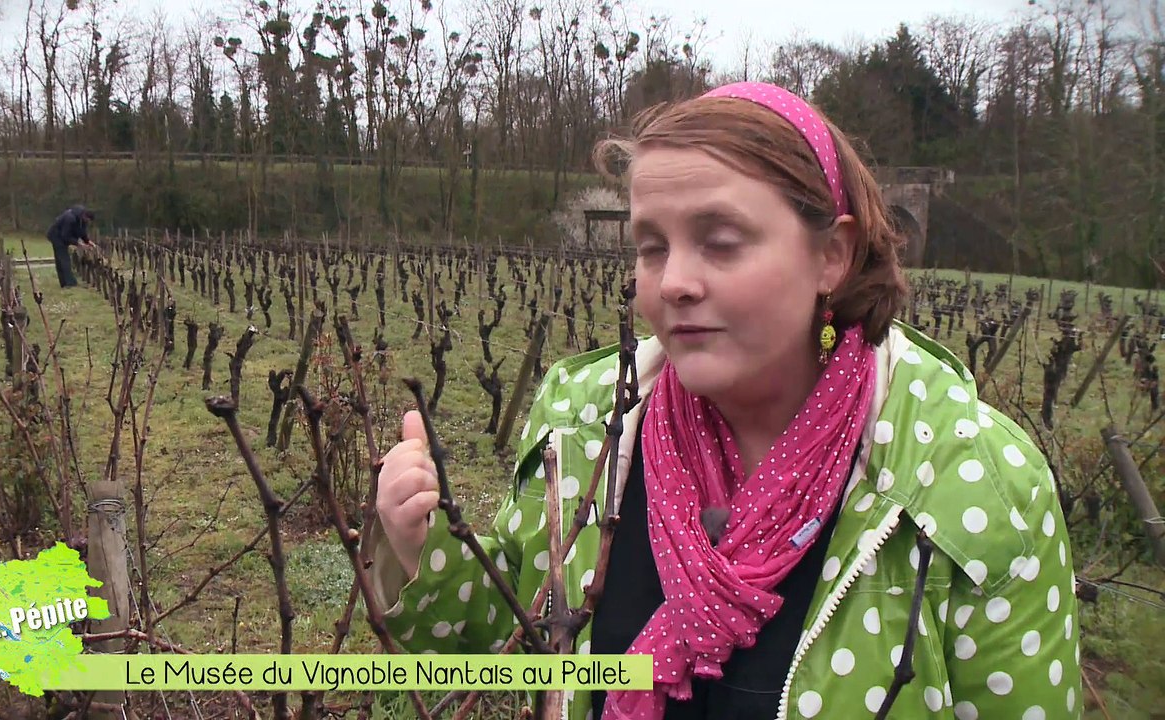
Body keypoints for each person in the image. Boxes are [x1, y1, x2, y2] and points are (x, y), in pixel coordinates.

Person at [367, 82, 1082, 720]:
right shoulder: (589, 427)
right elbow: (533, 642)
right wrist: (420, 549)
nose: (673, 280)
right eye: (652, 247)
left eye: (721, 241)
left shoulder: (974, 484)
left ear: (831, 255)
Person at [46, 205, 95, 288]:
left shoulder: (82, 220)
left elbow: (82, 231)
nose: (88, 222)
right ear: (84, 216)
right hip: (56, 236)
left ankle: (65, 283)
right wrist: (78, 244)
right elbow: (65, 236)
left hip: (62, 235)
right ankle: (69, 283)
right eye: (88, 220)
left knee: (61, 259)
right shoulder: (70, 219)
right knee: (64, 259)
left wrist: (88, 241)